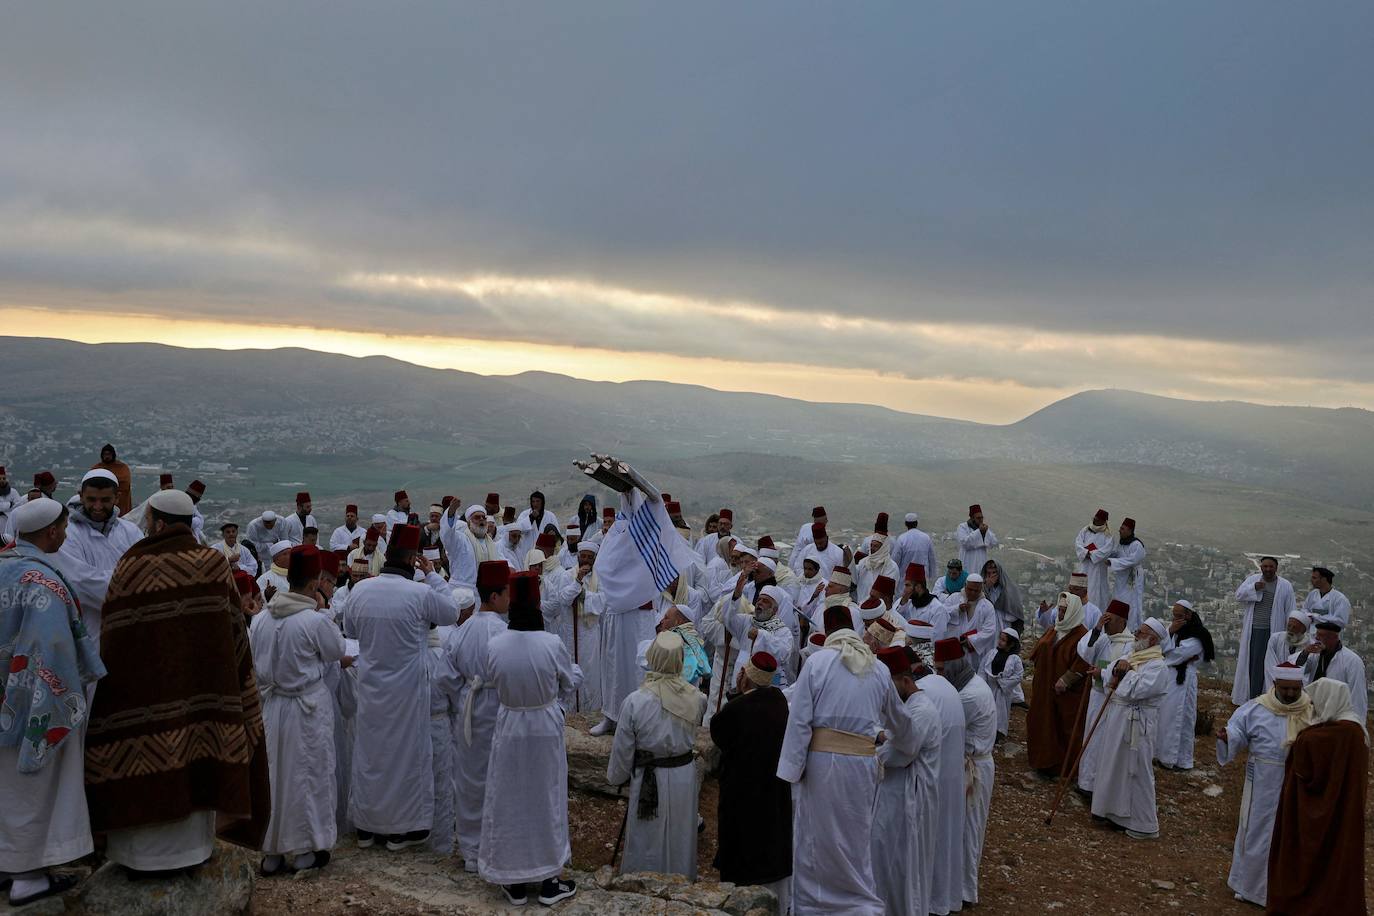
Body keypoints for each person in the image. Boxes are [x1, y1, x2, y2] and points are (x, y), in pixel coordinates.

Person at [84, 488, 270, 875]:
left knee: (144, 765)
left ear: (159, 523)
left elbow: (113, 639)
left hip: (142, 701)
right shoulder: (213, 564)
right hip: (203, 697)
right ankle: (191, 853)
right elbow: (235, 634)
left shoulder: (130, 565)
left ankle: (139, 857)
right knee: (196, 768)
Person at [0, 498, 107, 907]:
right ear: (50, 532)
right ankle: (27, 876)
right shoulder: (41, 580)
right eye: (62, 528)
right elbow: (54, 646)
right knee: (34, 788)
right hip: (33, 703)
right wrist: (62, 695)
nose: (65, 534)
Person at [777, 604, 914, 915]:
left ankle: (814, 904)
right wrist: (905, 746)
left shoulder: (818, 663)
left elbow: (800, 722)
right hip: (862, 765)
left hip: (821, 763)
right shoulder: (877, 668)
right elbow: (900, 720)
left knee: (816, 834)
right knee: (856, 833)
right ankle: (858, 904)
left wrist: (790, 772)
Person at [344, 523, 455, 852]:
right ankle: (399, 831)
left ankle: (366, 828)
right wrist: (433, 574)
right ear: (412, 560)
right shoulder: (419, 593)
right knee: (404, 759)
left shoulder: (361, 591)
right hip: (407, 692)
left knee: (371, 757)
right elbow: (450, 612)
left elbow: (350, 630)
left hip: (371, 687)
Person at [479, 572, 580, 907]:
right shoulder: (551, 644)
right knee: (545, 797)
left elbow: (493, 678)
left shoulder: (495, 644)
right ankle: (549, 879)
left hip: (509, 725)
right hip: (544, 727)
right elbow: (568, 681)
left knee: (509, 798)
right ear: (537, 604)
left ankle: (515, 881)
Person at [251, 545, 347, 875]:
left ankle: (271, 851)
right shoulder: (311, 620)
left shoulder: (262, 618)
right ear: (315, 582)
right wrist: (322, 611)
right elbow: (337, 650)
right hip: (306, 707)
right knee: (309, 775)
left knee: (274, 776)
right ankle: (307, 849)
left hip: (273, 706)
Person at [607, 630, 706, 880]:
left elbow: (622, 749)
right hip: (683, 777)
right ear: (680, 661)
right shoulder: (697, 699)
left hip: (649, 778)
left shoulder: (635, 701)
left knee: (647, 836)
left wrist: (618, 777)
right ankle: (680, 880)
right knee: (679, 832)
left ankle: (642, 881)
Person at [1265, 677, 1368, 916]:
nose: (1313, 707)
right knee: (1338, 860)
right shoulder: (1357, 731)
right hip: (1344, 814)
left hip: (1314, 818)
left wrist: (1300, 741)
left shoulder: (1322, 737)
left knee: (1310, 863)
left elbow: (1306, 771)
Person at [1215, 661, 1311, 908]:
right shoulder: (1256, 709)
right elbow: (1237, 729)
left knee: (1292, 833)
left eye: (1294, 689)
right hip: (1263, 782)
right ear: (1275, 684)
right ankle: (1250, 887)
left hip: (1298, 783)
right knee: (1257, 831)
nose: (1290, 694)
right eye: (1285, 688)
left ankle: (1286, 888)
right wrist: (1228, 737)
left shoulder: (1311, 710)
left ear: (1301, 685)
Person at [710, 652, 792, 910]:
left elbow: (718, 733)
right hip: (774, 788)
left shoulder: (735, 709)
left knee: (743, 843)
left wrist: (736, 695)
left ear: (745, 677)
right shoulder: (780, 702)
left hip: (742, 790)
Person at [447, 560, 511, 872]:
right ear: (496, 597)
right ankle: (494, 848)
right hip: (496, 707)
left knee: (469, 779)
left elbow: (444, 676)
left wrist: (462, 692)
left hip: (467, 708)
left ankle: (470, 850)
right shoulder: (503, 632)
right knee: (496, 777)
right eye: (507, 593)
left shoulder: (462, 630)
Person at [872, 646, 941, 916]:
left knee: (902, 866)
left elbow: (895, 755)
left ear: (904, 680)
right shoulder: (908, 707)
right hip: (897, 794)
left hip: (909, 798)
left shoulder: (920, 711)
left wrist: (876, 744)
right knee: (887, 861)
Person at [1088, 617, 1171, 839]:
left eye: (1141, 633)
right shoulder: (1133, 655)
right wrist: (1115, 669)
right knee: (1114, 765)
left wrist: (1125, 671)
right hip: (1118, 719)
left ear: (1152, 639)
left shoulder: (1158, 666)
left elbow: (1136, 690)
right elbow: (1112, 673)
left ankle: (1143, 824)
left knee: (1137, 770)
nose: (1135, 635)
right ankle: (1112, 813)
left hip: (1137, 724)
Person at [934, 637, 996, 907]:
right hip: (971, 762)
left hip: (974, 768)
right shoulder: (968, 684)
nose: (938, 675)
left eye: (940, 670)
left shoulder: (968, 695)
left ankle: (965, 891)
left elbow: (944, 726)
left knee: (969, 829)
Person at [910, 645, 967, 916]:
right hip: (950, 777)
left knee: (927, 844)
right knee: (947, 838)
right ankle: (945, 899)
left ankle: (930, 903)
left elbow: (908, 745)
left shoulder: (923, 694)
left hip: (931, 780)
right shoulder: (944, 686)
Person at [1075, 599, 1134, 795]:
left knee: (1104, 743)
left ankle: (1099, 787)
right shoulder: (1104, 638)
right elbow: (1085, 652)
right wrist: (1097, 628)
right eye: (1105, 619)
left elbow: (1127, 671)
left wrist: (1105, 673)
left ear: (1121, 621)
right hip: (1096, 697)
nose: (1107, 623)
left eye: (1110, 620)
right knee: (1090, 740)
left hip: (1113, 702)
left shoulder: (1130, 645)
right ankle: (1085, 783)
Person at [1156, 600, 1215, 771]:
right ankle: (1164, 756)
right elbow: (1164, 649)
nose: (1176, 619)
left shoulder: (1198, 634)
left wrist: (1165, 652)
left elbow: (1177, 655)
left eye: (1180, 616)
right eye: (1174, 616)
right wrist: (1169, 632)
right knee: (1167, 717)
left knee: (1184, 719)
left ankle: (1180, 760)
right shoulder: (1175, 630)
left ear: (1189, 615)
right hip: (1171, 677)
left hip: (1184, 678)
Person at [1231, 557, 1297, 704]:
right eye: (1265, 566)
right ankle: (1251, 696)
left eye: (1270, 566)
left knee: (1270, 664)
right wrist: (1253, 588)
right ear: (1261, 567)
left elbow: (1290, 610)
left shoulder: (1285, 586)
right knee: (1254, 664)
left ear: (1276, 568)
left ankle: (1268, 697)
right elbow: (1239, 595)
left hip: (1273, 631)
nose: (1267, 569)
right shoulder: (1253, 579)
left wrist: (1291, 633)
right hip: (1254, 630)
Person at [1299, 619, 1367, 720]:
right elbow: (1298, 670)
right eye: (1316, 634)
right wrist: (1305, 653)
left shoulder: (1352, 661)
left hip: (1337, 716)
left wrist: (1356, 725)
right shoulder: (1315, 655)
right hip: (1312, 712)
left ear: (1333, 638)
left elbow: (1357, 696)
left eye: (1321, 635)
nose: (1317, 638)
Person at [979, 627, 1024, 740]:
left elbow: (1018, 675)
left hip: (1002, 691)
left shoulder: (1015, 659)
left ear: (1011, 644)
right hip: (989, 687)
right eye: (1000, 639)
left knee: (1001, 711)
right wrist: (982, 684)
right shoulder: (992, 653)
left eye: (1003, 640)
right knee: (987, 711)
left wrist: (1003, 683)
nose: (1000, 641)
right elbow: (982, 669)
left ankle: (998, 732)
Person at [942, 572, 997, 660]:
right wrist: (957, 609)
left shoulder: (987, 606)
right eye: (970, 589)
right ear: (965, 586)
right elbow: (941, 615)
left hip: (973, 652)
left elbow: (990, 630)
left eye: (976, 591)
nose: (972, 593)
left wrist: (971, 640)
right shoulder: (954, 598)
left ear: (981, 589)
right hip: (953, 647)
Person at [1107, 517, 1146, 630]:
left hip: (1132, 578)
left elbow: (1132, 560)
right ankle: (1118, 626)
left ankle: (1132, 628)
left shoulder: (1136, 545)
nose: (1120, 531)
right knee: (1119, 600)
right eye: (1120, 528)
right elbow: (1116, 553)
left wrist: (1112, 562)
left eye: (1123, 529)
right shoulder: (1122, 544)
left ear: (1130, 530)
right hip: (1121, 578)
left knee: (1132, 603)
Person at [1074, 508, 1115, 611]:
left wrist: (1092, 554)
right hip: (1085, 567)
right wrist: (1085, 553)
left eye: (1098, 520)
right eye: (1095, 519)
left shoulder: (1108, 535)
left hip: (1098, 569)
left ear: (1103, 521)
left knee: (1097, 595)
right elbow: (1078, 543)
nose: (1095, 521)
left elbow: (1106, 550)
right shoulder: (1085, 530)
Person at [853, 513, 898, 605]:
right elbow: (854, 574)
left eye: (876, 546)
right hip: (861, 605)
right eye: (871, 546)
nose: (872, 549)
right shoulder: (864, 563)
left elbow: (887, 590)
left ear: (883, 548)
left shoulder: (891, 567)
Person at [891, 511, 938, 591]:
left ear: (906, 524)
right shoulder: (926, 538)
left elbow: (895, 561)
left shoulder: (902, 539)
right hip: (922, 579)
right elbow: (932, 559)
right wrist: (932, 577)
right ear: (917, 523)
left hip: (905, 581)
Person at [1262, 611, 1311, 685]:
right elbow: (1270, 664)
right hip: (1276, 681)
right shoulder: (1275, 638)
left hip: (1297, 686)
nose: (1290, 629)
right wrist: (1280, 682)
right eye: (1289, 626)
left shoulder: (1310, 645)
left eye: (1295, 627)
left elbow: (1306, 671)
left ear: (1303, 630)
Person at [980, 558, 1023, 633]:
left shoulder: (1009, 588)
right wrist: (986, 588)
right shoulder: (982, 588)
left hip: (1004, 625)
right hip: (987, 625)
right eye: (989, 573)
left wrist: (998, 613)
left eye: (994, 573)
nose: (991, 576)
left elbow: (1014, 613)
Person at [90, 443, 133, 517]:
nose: (107, 456)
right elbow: (89, 482)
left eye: (109, 454)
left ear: (113, 455)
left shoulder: (122, 467)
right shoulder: (96, 468)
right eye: (105, 454)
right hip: (101, 503)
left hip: (120, 505)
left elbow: (125, 483)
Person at [955, 503, 998, 572]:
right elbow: (965, 543)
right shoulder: (962, 527)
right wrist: (979, 532)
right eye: (978, 518)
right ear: (972, 518)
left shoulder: (984, 528)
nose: (981, 520)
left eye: (982, 517)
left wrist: (985, 533)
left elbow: (994, 542)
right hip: (967, 562)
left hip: (981, 563)